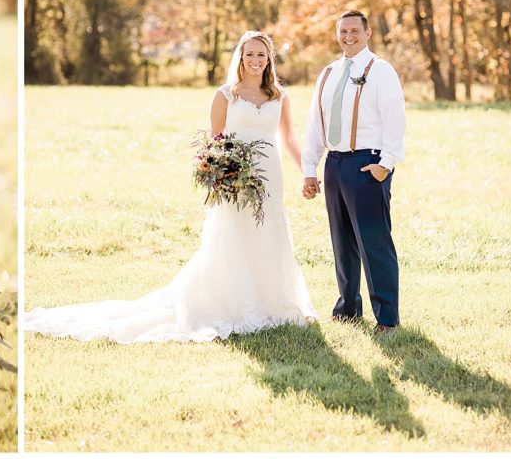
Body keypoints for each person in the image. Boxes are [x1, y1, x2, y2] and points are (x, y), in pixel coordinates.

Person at [25, 31, 317, 342]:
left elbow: (288, 139)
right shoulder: (225, 95)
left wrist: (308, 172)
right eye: (250, 54)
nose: (256, 60)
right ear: (240, 58)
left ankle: (272, 303)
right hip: (235, 178)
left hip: (270, 176)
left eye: (261, 55)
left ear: (269, 58)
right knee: (234, 236)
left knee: (269, 232)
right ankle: (234, 304)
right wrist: (224, 173)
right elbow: (215, 143)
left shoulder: (279, 96)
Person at [301, 10, 405, 333]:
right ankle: (348, 308)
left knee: (373, 242)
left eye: (355, 30)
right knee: (341, 242)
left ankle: (387, 318)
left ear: (368, 32)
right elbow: (315, 123)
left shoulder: (381, 71)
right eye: (343, 31)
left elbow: (395, 120)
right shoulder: (329, 73)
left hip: (367, 164)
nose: (349, 36)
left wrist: (384, 165)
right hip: (334, 164)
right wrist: (310, 167)